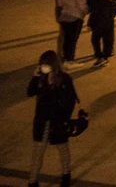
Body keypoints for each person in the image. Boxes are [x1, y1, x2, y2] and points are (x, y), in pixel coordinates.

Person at [27, 50, 80, 187]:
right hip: (42, 121)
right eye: (41, 64)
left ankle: (66, 176)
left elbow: (70, 100)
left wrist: (64, 119)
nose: (43, 67)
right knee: (37, 153)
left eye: (46, 64)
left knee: (63, 150)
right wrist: (34, 77)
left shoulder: (65, 79)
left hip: (57, 122)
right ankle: (32, 182)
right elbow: (30, 92)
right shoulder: (41, 78)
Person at [56, 0, 86, 66]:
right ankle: (70, 60)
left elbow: (59, 3)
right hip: (75, 17)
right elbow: (81, 6)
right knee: (73, 40)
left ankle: (65, 59)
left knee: (66, 39)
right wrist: (86, 11)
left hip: (65, 16)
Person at [87, 0, 116, 68]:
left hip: (98, 26)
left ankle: (99, 56)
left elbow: (94, 14)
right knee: (107, 41)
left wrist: (90, 25)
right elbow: (114, 13)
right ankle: (105, 57)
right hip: (108, 25)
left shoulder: (98, 3)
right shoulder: (111, 3)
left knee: (95, 40)